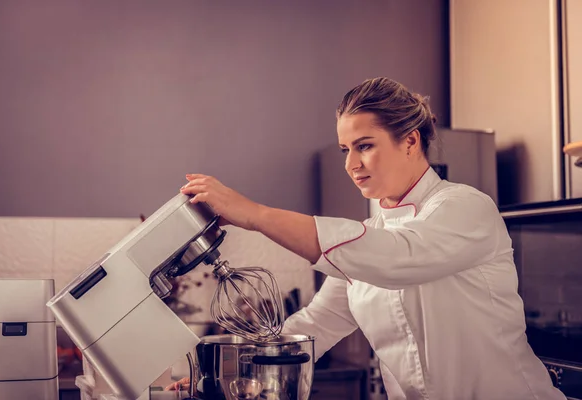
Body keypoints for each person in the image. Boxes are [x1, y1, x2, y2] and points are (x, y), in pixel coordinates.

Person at [168, 77, 565, 400]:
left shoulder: (466, 208)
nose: (351, 164)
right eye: (346, 149)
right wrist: (219, 380)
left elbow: (398, 258)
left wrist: (254, 215)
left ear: (410, 141)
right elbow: (317, 324)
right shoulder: (372, 236)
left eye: (365, 146)